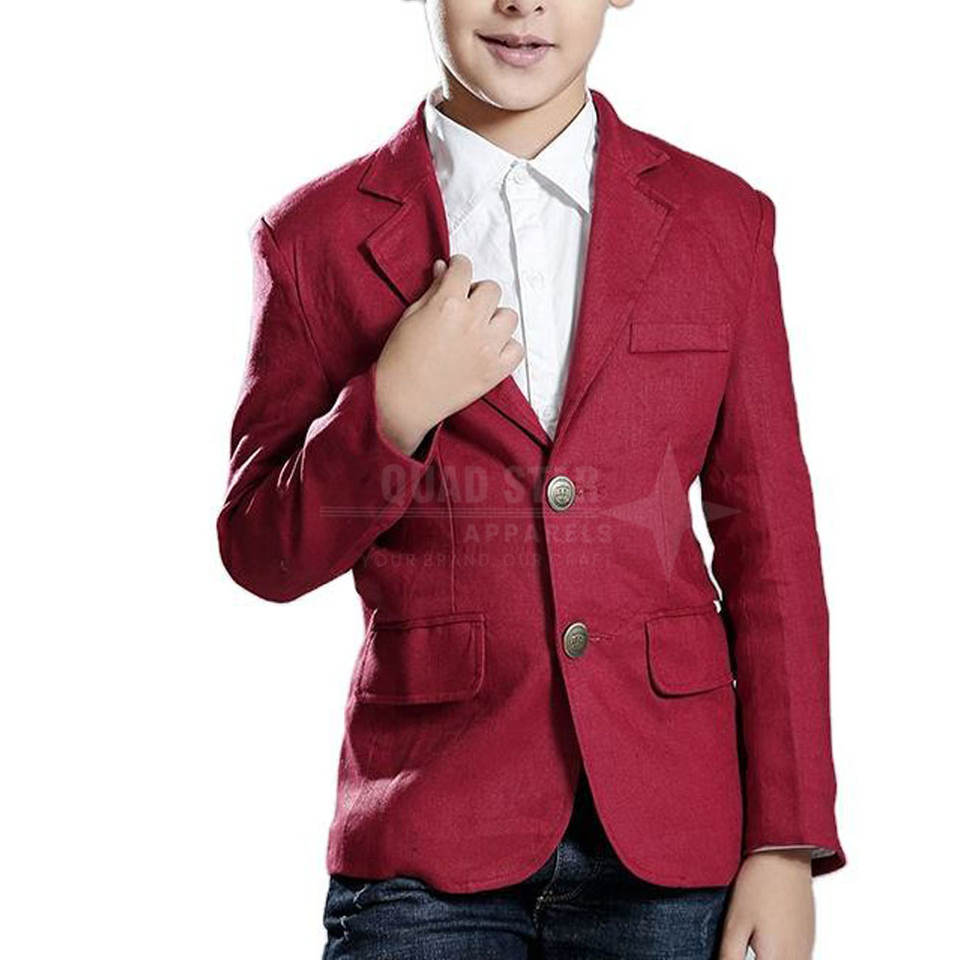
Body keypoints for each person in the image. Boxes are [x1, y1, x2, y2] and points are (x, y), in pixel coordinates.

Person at [216, 1, 844, 956]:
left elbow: (773, 548)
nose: (523, 2)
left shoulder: (723, 222)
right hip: (426, 837)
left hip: (671, 836)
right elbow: (260, 548)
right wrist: (392, 406)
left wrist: (785, 842)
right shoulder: (312, 237)